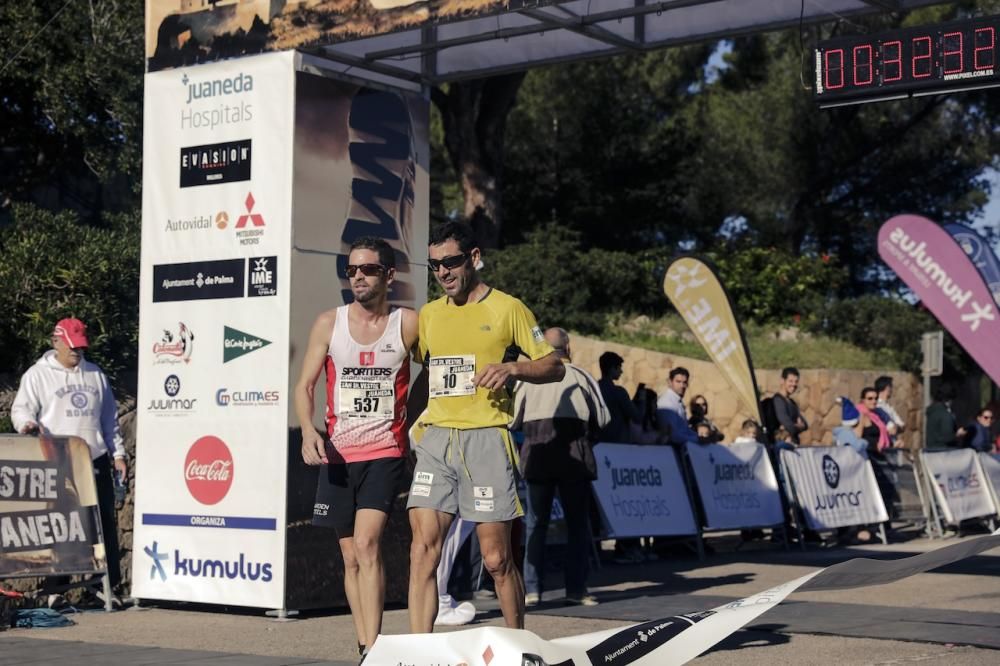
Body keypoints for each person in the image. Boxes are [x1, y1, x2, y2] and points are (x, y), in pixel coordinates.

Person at [406, 222, 564, 633]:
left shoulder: (507, 308)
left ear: (473, 258)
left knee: (496, 559)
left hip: (487, 439)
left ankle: (517, 643)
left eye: (451, 262)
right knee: (423, 549)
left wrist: (513, 367)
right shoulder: (429, 314)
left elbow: (553, 365)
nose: (443, 272)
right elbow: (423, 372)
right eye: (435, 265)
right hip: (437, 438)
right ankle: (419, 652)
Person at [295, 236, 418, 662]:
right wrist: (309, 431)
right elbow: (304, 385)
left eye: (367, 269)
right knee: (349, 556)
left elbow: (434, 368)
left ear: (389, 274)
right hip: (338, 454)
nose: (358, 277)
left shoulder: (408, 323)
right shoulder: (330, 322)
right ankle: (364, 643)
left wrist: (415, 417)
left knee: (367, 545)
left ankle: (377, 646)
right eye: (352, 271)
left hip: (385, 450)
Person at [10, 318, 127, 595]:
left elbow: (109, 419)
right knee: (60, 525)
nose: (77, 352)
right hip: (57, 459)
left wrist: (118, 453)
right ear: (56, 342)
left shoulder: (96, 375)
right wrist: (27, 424)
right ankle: (56, 591)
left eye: (81, 347)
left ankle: (108, 589)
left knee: (103, 524)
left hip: (93, 458)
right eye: (72, 347)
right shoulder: (37, 375)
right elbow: (20, 409)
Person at [511, 327, 609, 608]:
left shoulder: (527, 380)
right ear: (568, 348)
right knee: (578, 526)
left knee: (535, 525)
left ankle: (532, 591)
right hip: (574, 459)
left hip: (537, 458)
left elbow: (512, 420)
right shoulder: (580, 375)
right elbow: (603, 418)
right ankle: (576, 589)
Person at [596, 352, 640, 443]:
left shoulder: (593, 388)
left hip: (596, 442)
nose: (621, 371)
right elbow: (637, 417)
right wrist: (642, 400)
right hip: (617, 444)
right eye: (619, 367)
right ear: (612, 368)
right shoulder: (618, 392)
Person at [656, 367, 699, 445]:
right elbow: (673, 435)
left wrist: (699, 438)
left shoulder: (676, 400)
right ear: (670, 382)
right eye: (678, 382)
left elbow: (683, 429)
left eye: (684, 382)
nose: (682, 386)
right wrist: (697, 440)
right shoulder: (667, 402)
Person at [773, 367, 808, 445]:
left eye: (796, 381)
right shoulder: (778, 401)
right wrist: (798, 426)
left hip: (793, 444)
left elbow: (805, 424)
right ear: (782, 381)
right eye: (790, 381)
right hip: (783, 446)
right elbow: (789, 426)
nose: (794, 384)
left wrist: (795, 426)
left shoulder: (792, 402)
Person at [874, 376, 905, 442]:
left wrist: (896, 428)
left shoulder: (888, 407)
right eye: (891, 387)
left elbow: (902, 425)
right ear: (887, 388)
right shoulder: (876, 406)